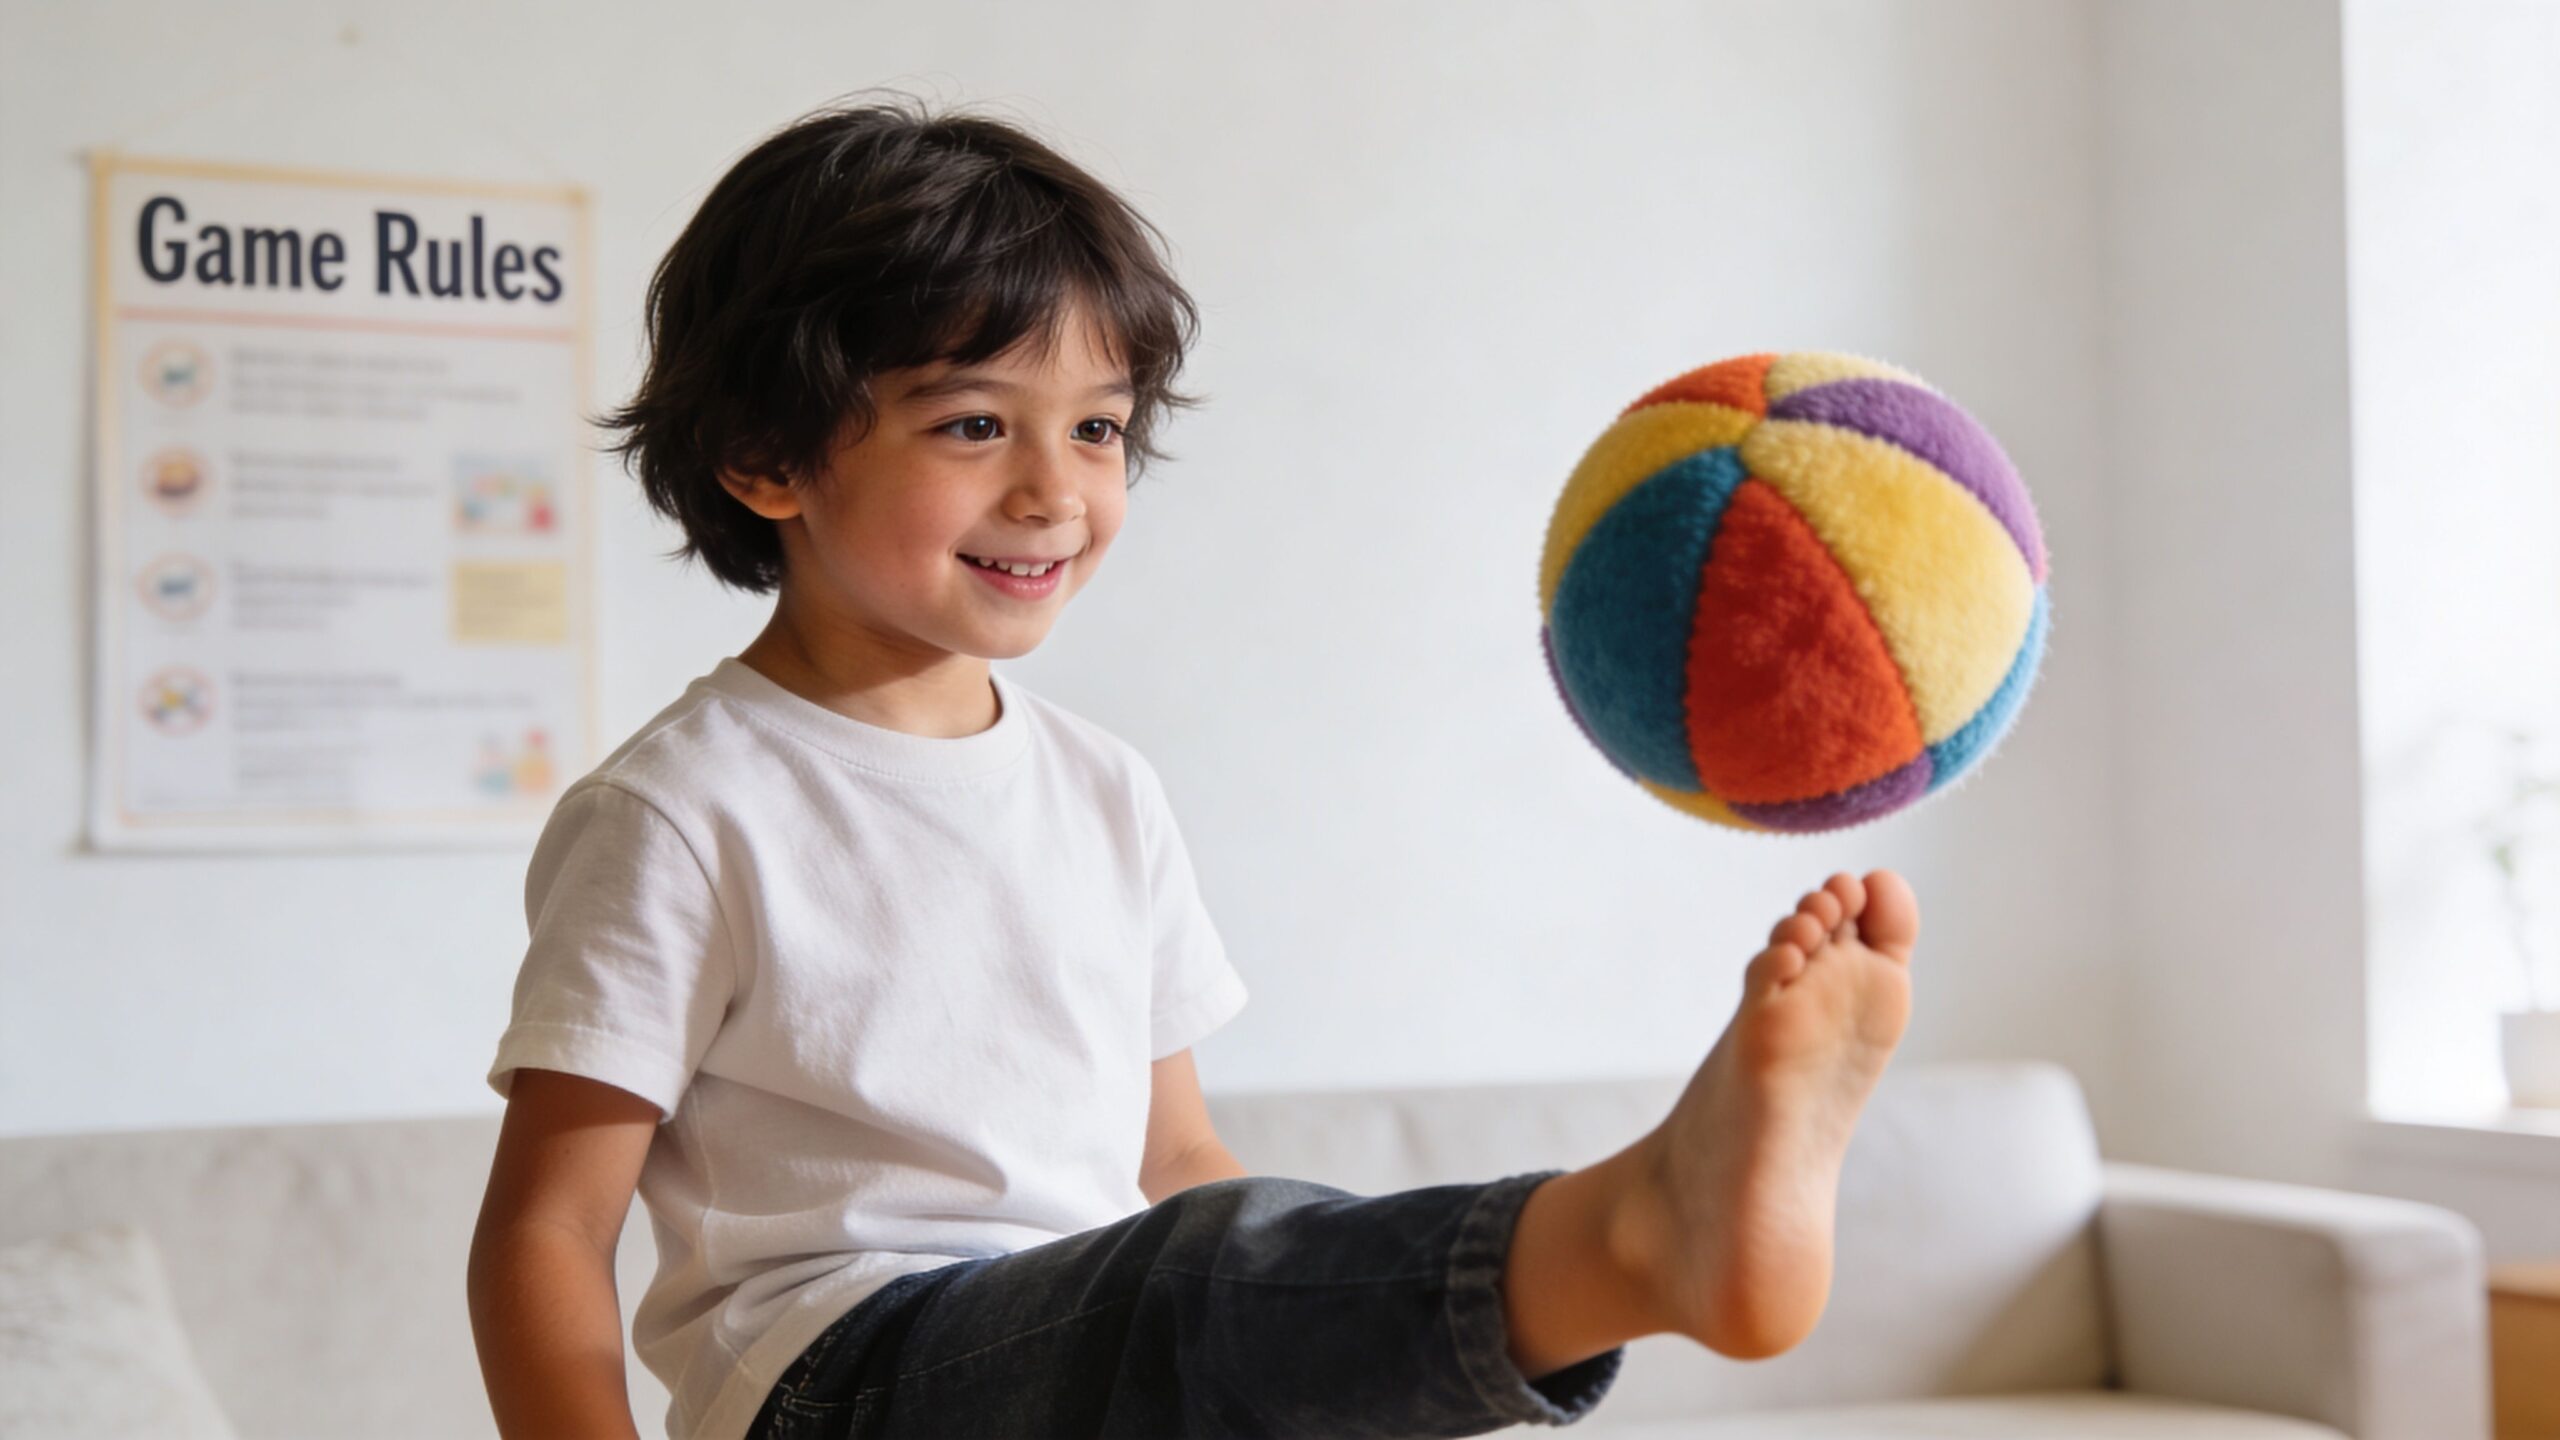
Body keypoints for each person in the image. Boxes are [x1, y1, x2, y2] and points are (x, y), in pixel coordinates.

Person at [465, 93, 1921, 1440]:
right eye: (975, 424)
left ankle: (1604, 1250)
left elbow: (1178, 1161)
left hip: (1097, 1345)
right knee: (1193, 1289)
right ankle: (1636, 1234)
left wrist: (1320, 1326)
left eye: (1097, 429)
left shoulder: (1104, 792)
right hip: (842, 1378)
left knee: (1242, 1284)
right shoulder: (683, 811)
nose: (1056, 490)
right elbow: (545, 1231)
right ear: (767, 460)